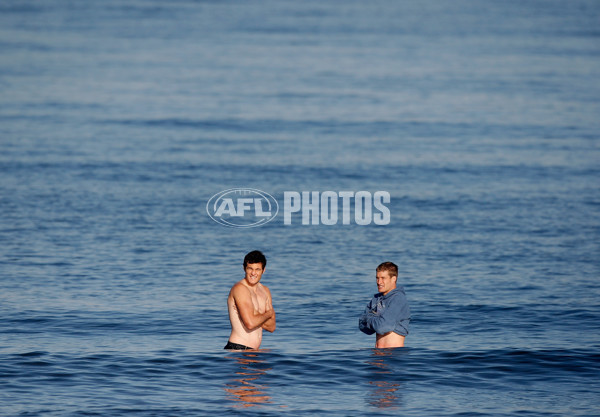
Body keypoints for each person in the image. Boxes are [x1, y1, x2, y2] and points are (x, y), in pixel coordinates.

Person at [225, 250, 276, 350]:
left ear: (263, 270)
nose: (253, 273)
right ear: (244, 268)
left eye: (257, 269)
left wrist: (255, 315)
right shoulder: (240, 289)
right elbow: (250, 324)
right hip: (238, 349)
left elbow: (272, 327)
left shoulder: (265, 291)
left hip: (255, 352)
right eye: (250, 269)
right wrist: (268, 314)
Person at [359, 262, 410, 348]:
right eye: (377, 278)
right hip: (376, 355)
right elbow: (362, 325)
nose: (379, 282)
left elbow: (383, 327)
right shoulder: (376, 299)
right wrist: (377, 320)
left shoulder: (398, 299)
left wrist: (370, 318)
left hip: (393, 355)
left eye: (383, 278)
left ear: (393, 279)